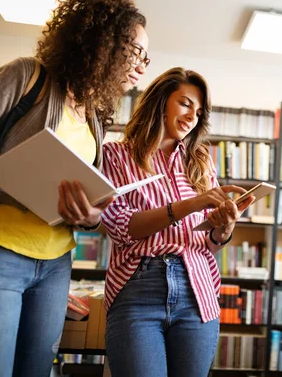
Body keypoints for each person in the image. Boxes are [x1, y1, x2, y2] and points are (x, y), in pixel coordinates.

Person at [0, 0, 148, 377]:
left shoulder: (94, 115)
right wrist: (27, 194)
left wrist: (90, 215)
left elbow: (79, 205)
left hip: (56, 265)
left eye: (147, 57)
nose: (143, 66)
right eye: (135, 51)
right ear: (103, 42)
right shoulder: (26, 75)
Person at [101, 67, 253, 377]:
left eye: (198, 112)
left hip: (197, 293)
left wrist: (224, 228)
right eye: (184, 103)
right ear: (160, 101)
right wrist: (192, 204)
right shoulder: (115, 155)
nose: (191, 116)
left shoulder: (200, 162)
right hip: (139, 288)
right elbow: (120, 227)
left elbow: (209, 243)